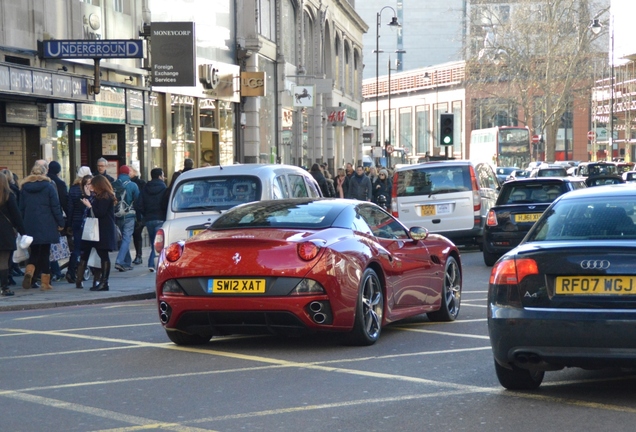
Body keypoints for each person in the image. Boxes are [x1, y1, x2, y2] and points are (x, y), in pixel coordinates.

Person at [19, 164, 65, 290]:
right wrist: (61, 222)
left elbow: (21, 208)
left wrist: (21, 226)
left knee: (34, 252)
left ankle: (29, 273)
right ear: (44, 174)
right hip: (47, 224)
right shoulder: (49, 187)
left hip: (30, 224)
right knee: (45, 253)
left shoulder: (24, 188)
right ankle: (45, 283)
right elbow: (55, 207)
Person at [76, 175, 118, 291]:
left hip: (103, 230)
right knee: (100, 255)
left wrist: (89, 206)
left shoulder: (105, 196)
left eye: (92, 184)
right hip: (99, 229)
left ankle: (104, 282)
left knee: (103, 255)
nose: (90, 186)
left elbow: (100, 213)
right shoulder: (100, 196)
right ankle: (102, 281)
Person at [135, 168, 167, 271]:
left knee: (154, 242)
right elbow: (166, 203)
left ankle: (152, 263)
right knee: (158, 243)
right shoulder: (164, 188)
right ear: (159, 176)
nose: (163, 177)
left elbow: (139, 204)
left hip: (149, 219)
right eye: (162, 175)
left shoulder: (145, 188)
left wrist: (145, 214)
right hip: (161, 218)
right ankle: (152, 264)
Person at [65, 167, 93, 284]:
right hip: (88, 222)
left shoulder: (73, 189)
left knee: (76, 248)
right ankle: (84, 270)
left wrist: (69, 223)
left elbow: (70, 208)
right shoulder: (90, 188)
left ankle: (71, 271)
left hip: (76, 221)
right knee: (88, 248)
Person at [0, 172, 26, 296]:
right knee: (4, 260)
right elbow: (16, 216)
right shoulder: (8, 196)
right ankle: (4, 287)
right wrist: (23, 231)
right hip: (5, 232)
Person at [112, 165, 140, 272]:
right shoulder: (133, 185)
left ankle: (126, 263)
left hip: (117, 215)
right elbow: (138, 201)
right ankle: (119, 261)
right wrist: (139, 217)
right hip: (129, 215)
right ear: (128, 173)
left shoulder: (113, 184)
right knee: (127, 238)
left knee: (124, 239)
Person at [47, 160, 69, 282]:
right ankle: (55, 271)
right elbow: (61, 203)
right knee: (53, 245)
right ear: (59, 171)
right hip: (53, 218)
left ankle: (45, 271)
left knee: (44, 247)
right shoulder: (58, 183)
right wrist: (63, 221)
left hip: (37, 220)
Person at [129, 163, 146, 265]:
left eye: (130, 171)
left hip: (138, 212)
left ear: (135, 172)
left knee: (137, 234)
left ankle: (138, 255)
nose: (128, 173)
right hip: (128, 212)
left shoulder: (141, 183)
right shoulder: (125, 182)